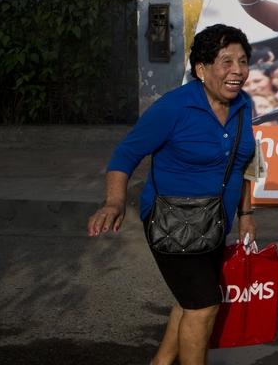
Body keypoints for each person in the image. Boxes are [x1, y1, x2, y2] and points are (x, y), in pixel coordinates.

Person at [87, 24, 256, 365]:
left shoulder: (243, 105)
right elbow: (125, 155)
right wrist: (114, 201)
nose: (237, 70)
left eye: (242, 60)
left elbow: (243, 163)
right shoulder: (174, 108)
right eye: (226, 61)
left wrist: (246, 216)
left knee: (190, 299)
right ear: (201, 70)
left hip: (214, 222)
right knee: (203, 305)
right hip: (171, 220)